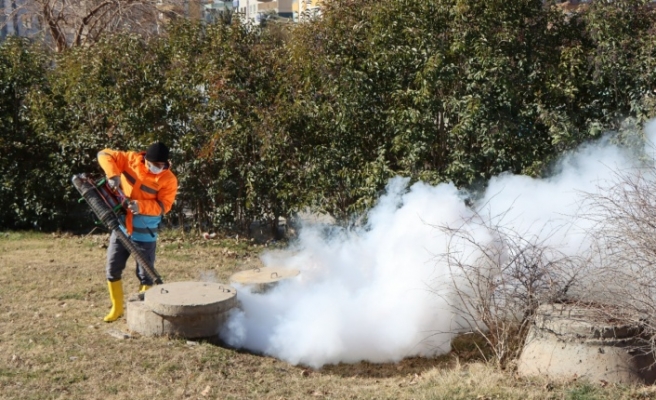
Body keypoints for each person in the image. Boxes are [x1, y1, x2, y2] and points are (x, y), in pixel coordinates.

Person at [97, 142, 178, 322]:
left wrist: (141, 206)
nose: (158, 167)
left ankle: (144, 312)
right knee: (112, 268)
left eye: (161, 165)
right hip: (121, 228)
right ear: (145, 159)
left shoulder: (169, 179)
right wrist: (113, 175)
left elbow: (164, 206)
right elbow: (104, 154)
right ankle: (117, 308)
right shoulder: (130, 160)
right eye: (154, 164)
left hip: (144, 233)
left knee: (146, 275)